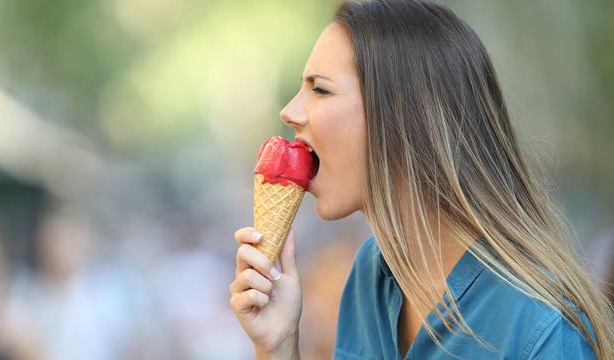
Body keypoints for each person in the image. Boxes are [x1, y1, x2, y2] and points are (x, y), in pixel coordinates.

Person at [228, 0, 614, 359]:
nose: (290, 110)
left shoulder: (541, 329)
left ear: (403, 120)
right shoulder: (370, 279)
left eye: (320, 90)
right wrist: (279, 345)